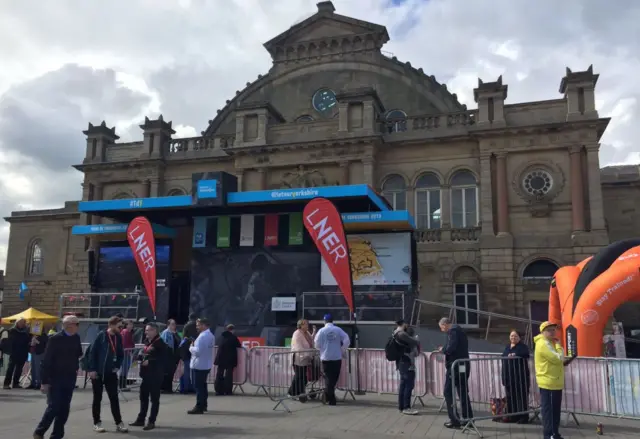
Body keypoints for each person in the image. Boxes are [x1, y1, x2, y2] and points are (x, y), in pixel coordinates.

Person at [33, 315, 83, 439]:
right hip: (55, 378)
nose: (78, 327)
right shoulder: (55, 339)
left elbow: (78, 354)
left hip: (69, 377)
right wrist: (44, 381)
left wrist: (76, 367)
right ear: (69, 325)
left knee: (64, 408)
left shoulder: (76, 338)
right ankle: (39, 431)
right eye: (77, 324)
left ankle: (57, 435)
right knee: (54, 406)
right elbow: (46, 361)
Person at [87, 315, 127, 433]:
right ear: (111, 325)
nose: (121, 327)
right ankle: (97, 423)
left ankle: (119, 423)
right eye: (119, 325)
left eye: (122, 325)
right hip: (98, 373)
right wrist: (92, 369)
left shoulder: (119, 337)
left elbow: (120, 354)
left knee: (114, 398)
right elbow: (92, 353)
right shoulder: (101, 335)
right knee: (97, 398)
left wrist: (117, 366)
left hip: (111, 373)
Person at [535, 321, 575, 439]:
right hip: (549, 382)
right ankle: (549, 435)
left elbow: (559, 359)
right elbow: (558, 358)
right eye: (549, 330)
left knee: (555, 410)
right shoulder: (543, 344)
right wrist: (558, 346)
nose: (553, 332)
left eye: (554, 330)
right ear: (543, 332)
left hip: (554, 381)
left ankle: (555, 434)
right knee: (549, 412)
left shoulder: (550, 343)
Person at [129, 323, 167, 431]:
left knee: (154, 399)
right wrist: (139, 357)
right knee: (143, 397)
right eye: (146, 330)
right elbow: (144, 353)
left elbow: (162, 360)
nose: (146, 332)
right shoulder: (147, 342)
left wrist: (149, 362)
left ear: (155, 331)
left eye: (148, 330)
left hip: (155, 376)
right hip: (146, 376)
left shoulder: (160, 344)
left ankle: (151, 421)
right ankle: (141, 419)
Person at [438, 317, 473, 429]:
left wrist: (443, 350)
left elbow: (451, 348)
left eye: (441, 328)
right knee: (462, 391)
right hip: (463, 364)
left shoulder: (452, 331)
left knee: (448, 392)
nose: (442, 330)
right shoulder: (460, 330)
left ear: (444, 325)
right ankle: (468, 419)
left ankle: (454, 420)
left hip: (455, 366)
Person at [314, 314, 350, 406]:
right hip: (336, 357)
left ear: (324, 321)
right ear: (332, 321)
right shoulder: (338, 330)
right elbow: (347, 339)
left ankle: (328, 396)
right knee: (334, 378)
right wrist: (342, 348)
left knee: (328, 378)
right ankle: (331, 398)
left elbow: (316, 344)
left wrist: (321, 349)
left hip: (325, 357)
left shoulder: (321, 331)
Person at [501, 330, 531, 424]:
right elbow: (503, 356)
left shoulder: (522, 347)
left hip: (520, 378)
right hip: (509, 377)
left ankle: (523, 417)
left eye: (515, 336)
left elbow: (526, 354)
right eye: (511, 336)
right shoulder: (507, 347)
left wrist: (515, 354)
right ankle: (512, 416)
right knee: (510, 397)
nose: (513, 338)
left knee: (521, 397)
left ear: (519, 337)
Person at [392, 320, 420, 415]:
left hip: (401, 362)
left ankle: (401, 406)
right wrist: (416, 339)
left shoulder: (395, 334)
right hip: (407, 363)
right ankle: (406, 407)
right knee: (409, 385)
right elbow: (416, 347)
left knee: (403, 385)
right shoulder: (402, 335)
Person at [188, 318, 215, 414]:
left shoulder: (202, 336)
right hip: (205, 364)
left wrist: (191, 347)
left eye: (198, 325)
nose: (197, 327)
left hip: (199, 364)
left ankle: (199, 406)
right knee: (203, 386)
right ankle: (204, 405)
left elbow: (198, 352)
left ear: (204, 325)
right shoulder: (211, 335)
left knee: (198, 386)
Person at [288, 319, 316, 401]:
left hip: (305, 359)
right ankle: (293, 393)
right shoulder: (297, 334)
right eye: (305, 324)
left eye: (307, 324)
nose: (307, 326)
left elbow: (311, 340)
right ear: (301, 325)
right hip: (298, 358)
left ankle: (296, 393)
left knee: (303, 377)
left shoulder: (306, 333)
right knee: (299, 376)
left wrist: (314, 332)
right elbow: (298, 347)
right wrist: (308, 354)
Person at [3, 317, 31, 389]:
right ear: (17, 323)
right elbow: (11, 341)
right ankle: (6, 383)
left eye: (23, 322)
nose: (22, 324)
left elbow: (28, 341)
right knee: (10, 368)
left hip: (23, 352)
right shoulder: (12, 330)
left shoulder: (27, 331)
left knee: (19, 369)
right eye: (20, 322)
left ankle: (15, 383)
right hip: (14, 352)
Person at [214, 323, 241, 396]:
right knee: (228, 375)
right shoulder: (233, 337)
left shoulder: (221, 336)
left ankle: (218, 390)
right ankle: (228, 390)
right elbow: (239, 345)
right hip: (230, 359)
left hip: (220, 358)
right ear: (232, 330)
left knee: (219, 374)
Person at [160, 319, 181, 393]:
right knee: (167, 372)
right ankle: (164, 388)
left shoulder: (175, 333)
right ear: (168, 325)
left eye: (174, 324)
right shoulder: (166, 333)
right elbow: (165, 343)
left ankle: (168, 387)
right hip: (168, 355)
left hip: (174, 356)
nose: (174, 326)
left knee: (171, 372)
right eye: (172, 324)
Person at [119, 320, 135, 389]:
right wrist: (128, 350)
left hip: (127, 352)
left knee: (126, 368)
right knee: (125, 368)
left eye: (132, 324)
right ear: (126, 325)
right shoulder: (126, 332)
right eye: (129, 324)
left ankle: (123, 385)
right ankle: (122, 385)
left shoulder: (128, 332)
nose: (131, 326)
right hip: (125, 352)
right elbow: (125, 343)